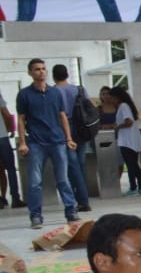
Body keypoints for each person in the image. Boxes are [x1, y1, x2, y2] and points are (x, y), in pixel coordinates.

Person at [15, 58, 80, 229]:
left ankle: (71, 211)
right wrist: (22, 142)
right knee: (35, 181)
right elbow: (21, 119)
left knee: (63, 179)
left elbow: (62, 116)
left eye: (43, 69)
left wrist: (69, 138)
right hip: (36, 142)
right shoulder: (24, 94)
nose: (41, 71)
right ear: (30, 72)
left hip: (57, 141)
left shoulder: (55, 93)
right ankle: (35, 215)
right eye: (37, 69)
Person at [51, 64, 93, 212]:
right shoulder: (79, 89)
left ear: (53, 76)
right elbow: (90, 107)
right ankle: (81, 196)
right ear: (67, 74)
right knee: (79, 164)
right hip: (81, 127)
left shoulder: (53, 92)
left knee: (72, 166)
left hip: (63, 129)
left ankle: (82, 199)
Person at [108, 86, 141, 196]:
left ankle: (134, 187)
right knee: (133, 165)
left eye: (112, 98)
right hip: (131, 140)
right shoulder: (126, 105)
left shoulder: (123, 106)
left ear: (117, 97)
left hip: (127, 141)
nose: (111, 100)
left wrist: (118, 127)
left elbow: (129, 122)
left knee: (131, 165)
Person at [0, 90, 24, 209]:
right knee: (10, 168)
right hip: (1, 137)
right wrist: (11, 128)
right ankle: (15, 197)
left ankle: (2, 198)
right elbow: (6, 113)